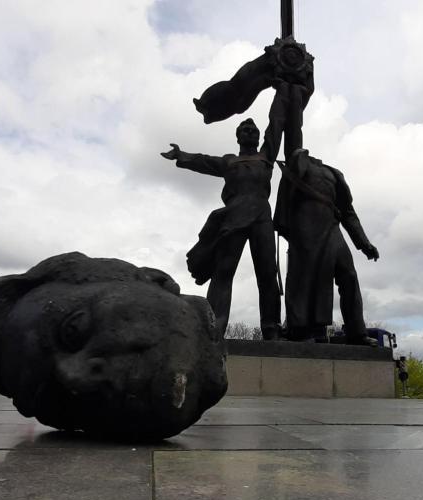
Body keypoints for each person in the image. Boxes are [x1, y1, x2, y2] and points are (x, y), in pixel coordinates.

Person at [161, 83, 292, 339]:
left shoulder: (266, 157)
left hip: (262, 218)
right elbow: (203, 161)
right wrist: (181, 155)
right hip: (234, 216)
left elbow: (276, 124)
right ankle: (215, 324)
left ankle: (271, 327)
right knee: (223, 272)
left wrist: (282, 94)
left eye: (253, 129)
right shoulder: (229, 161)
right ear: (238, 136)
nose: (250, 131)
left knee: (267, 273)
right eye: (245, 128)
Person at [274, 86, 379, 344]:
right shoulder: (297, 166)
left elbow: (348, 212)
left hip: (332, 230)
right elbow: (293, 134)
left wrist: (363, 243)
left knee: (349, 277)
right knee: (302, 279)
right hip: (305, 231)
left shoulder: (334, 173)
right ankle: (300, 329)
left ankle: (356, 331)